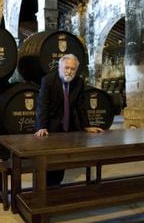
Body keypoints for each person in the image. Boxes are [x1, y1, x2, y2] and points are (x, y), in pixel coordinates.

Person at [34, 53, 103, 186]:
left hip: (67, 127)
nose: (69, 71)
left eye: (72, 69)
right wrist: (42, 126)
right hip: (49, 126)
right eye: (66, 68)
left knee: (60, 162)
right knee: (48, 162)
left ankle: (55, 186)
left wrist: (86, 126)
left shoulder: (78, 82)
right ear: (60, 67)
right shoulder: (48, 80)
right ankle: (46, 188)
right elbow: (43, 105)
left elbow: (81, 106)